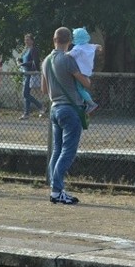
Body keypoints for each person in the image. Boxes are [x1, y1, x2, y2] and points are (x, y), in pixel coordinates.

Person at [42, 26, 91, 205]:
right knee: (68, 152)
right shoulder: (68, 59)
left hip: (54, 109)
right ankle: (56, 190)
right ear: (69, 41)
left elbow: (43, 89)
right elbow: (85, 82)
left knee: (57, 150)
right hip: (70, 109)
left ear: (54, 39)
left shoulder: (46, 61)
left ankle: (55, 189)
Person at [67, 27, 102, 114]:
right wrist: (100, 47)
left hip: (79, 72)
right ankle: (84, 103)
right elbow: (97, 46)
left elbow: (69, 55)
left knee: (80, 89)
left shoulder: (78, 48)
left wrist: (62, 54)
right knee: (82, 88)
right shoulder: (90, 46)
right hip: (87, 72)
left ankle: (91, 104)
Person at [18, 33, 44, 119]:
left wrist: (23, 63)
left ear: (32, 41)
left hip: (31, 74)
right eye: (25, 40)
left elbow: (35, 62)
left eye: (28, 39)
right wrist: (20, 60)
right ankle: (26, 113)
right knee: (26, 94)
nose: (26, 41)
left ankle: (40, 106)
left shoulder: (34, 49)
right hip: (26, 73)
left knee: (25, 93)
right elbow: (26, 59)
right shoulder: (26, 50)